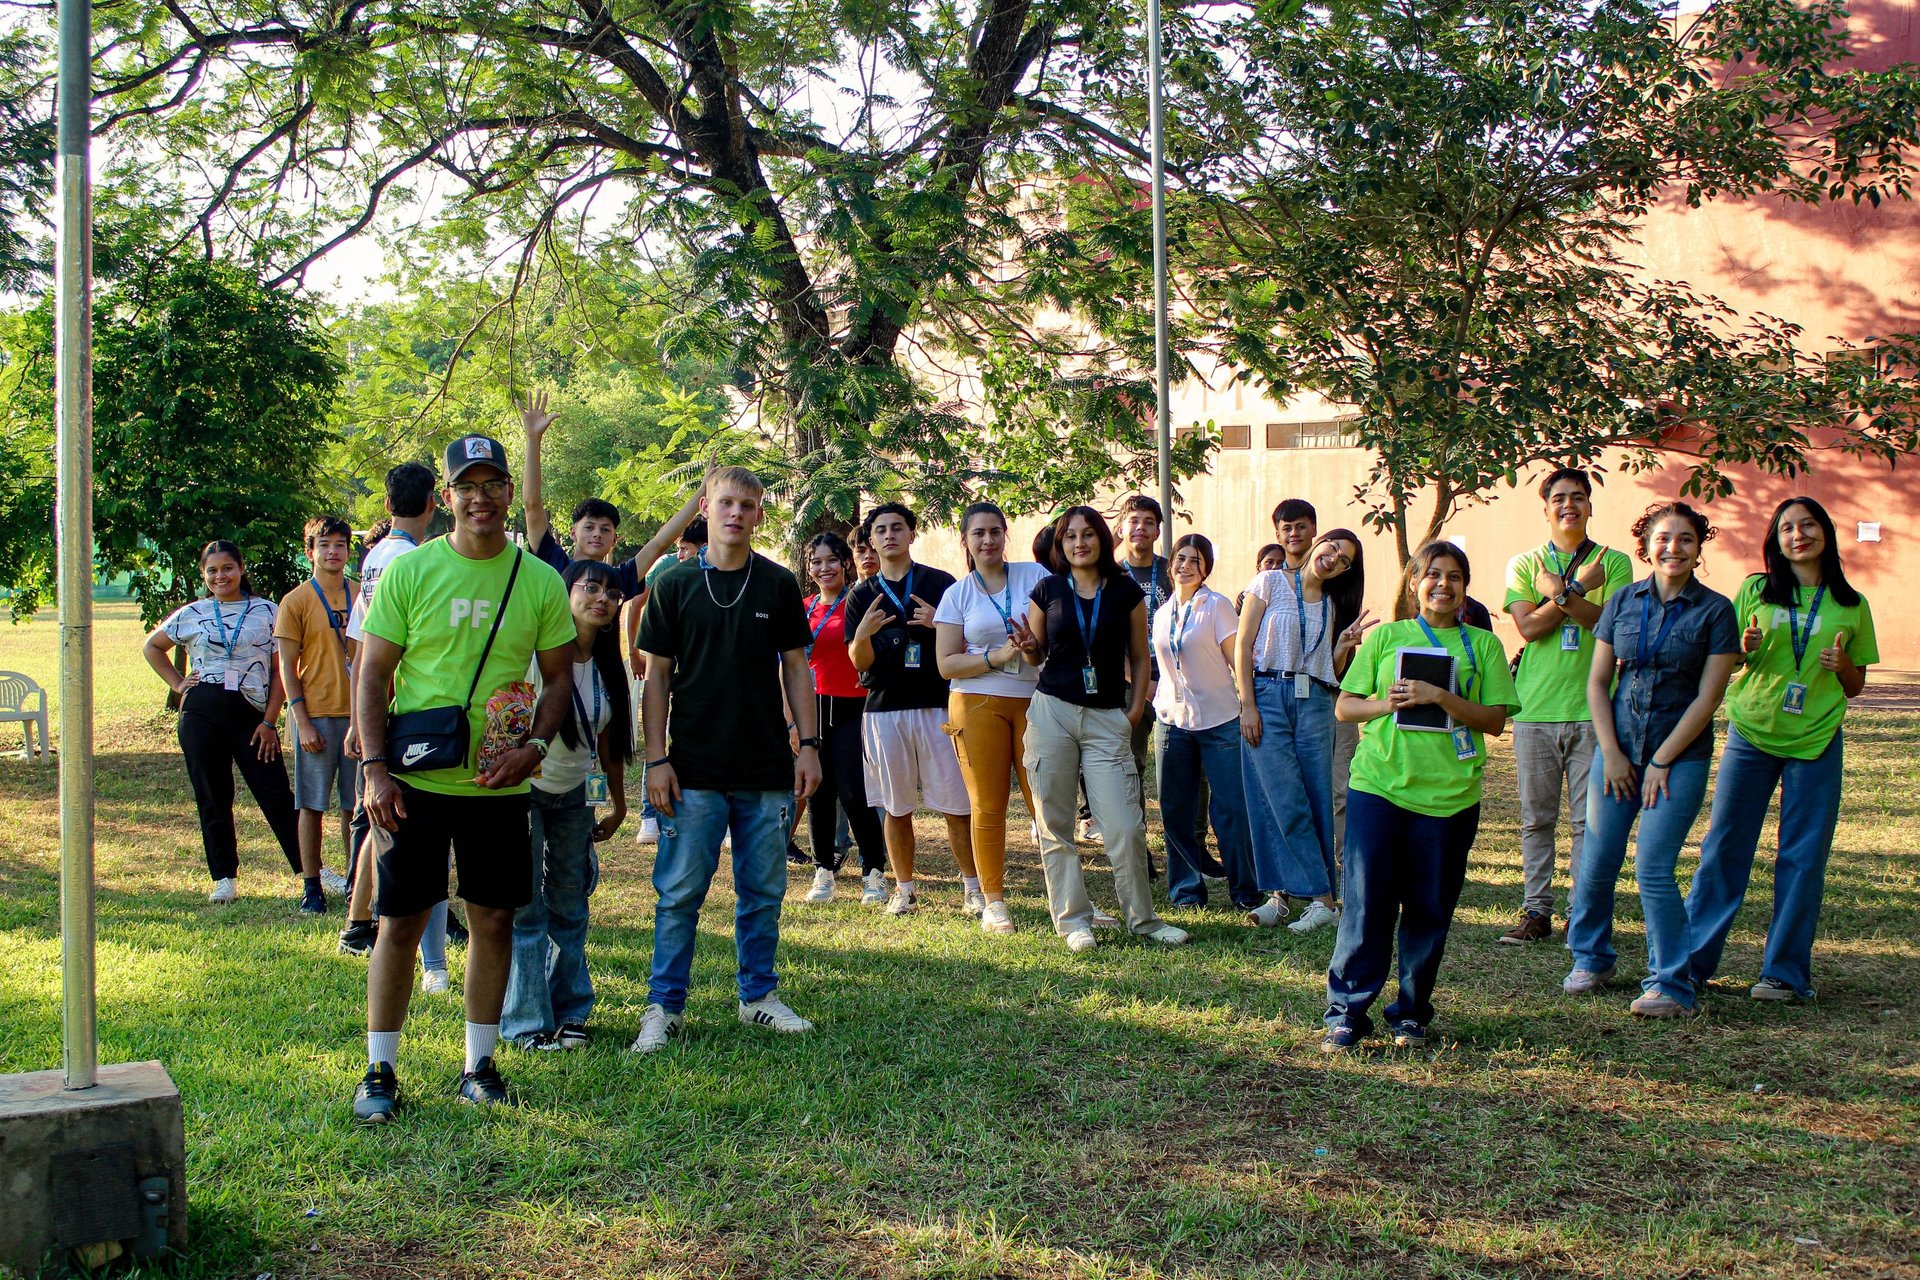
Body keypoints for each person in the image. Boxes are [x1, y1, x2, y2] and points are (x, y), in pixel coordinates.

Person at [350, 434, 577, 1122]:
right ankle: (379, 1070)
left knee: (495, 919)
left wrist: (535, 748)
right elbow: (373, 673)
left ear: (510, 492)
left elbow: (561, 675)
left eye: (493, 484)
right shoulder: (412, 572)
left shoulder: (537, 578)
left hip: (498, 785)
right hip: (415, 783)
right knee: (399, 921)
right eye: (466, 486)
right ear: (445, 498)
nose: (480, 498)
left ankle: (479, 1064)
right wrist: (374, 769)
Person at [629, 466, 821, 1053]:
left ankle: (758, 996)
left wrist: (808, 747)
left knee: (762, 890)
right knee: (680, 892)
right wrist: (655, 758)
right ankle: (664, 1008)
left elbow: (795, 667)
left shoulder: (778, 584)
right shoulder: (675, 584)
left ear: (760, 514)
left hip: (765, 764)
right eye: (725, 502)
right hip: (691, 766)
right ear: (705, 510)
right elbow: (657, 677)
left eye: (748, 504)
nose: (736, 512)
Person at [1323, 541, 1519, 1052]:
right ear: (1414, 582)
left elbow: (1496, 720)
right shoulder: (1386, 638)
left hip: (1451, 797)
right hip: (1380, 790)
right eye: (1432, 575)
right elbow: (1345, 708)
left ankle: (1410, 1013)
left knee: (1429, 912)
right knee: (1366, 907)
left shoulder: (1484, 645)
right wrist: (1382, 704)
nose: (1443, 585)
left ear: (1465, 587)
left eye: (1454, 577)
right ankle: (1346, 1013)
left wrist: (1441, 698)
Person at [1685, 497, 1876, 1002]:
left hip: (1816, 739)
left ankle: (1784, 975)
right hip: (1751, 732)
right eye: (1787, 527)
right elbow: (1729, 660)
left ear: (1826, 533)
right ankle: (1691, 965)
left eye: (1808, 525)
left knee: (1803, 856)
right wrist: (1743, 650)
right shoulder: (1755, 589)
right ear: (1776, 539)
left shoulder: (1852, 604)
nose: (1798, 535)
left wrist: (1844, 668)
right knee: (1724, 848)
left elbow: (1856, 686)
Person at [1562, 501, 1741, 1018]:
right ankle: (1591, 958)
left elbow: (1708, 698)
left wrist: (1661, 759)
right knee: (1595, 862)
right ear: (1646, 545)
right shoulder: (1621, 601)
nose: (1674, 548)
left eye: (1686, 539)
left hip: (1678, 758)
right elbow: (1598, 683)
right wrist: (1613, 754)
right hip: (1616, 754)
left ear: (1698, 548)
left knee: (1654, 867)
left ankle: (1671, 983)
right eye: (1664, 538)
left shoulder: (1715, 611)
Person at [1013, 507, 1189, 953]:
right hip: (1052, 711)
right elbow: (1035, 658)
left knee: (1125, 826)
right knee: (1056, 824)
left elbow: (1140, 655)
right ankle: (1074, 921)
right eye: (1069, 536)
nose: (1079, 543)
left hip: (1107, 717)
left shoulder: (1126, 591)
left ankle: (1143, 920)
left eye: (1087, 534)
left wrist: (1133, 711)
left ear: (1102, 540)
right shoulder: (1047, 589)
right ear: (1060, 545)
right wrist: (1031, 648)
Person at [1499, 468, 1636, 945]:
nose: (1568, 505)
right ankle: (1535, 910)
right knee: (1536, 818)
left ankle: (1581, 912)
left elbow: (1610, 626)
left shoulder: (1614, 564)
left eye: (1578, 497)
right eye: (1559, 498)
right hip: (1535, 708)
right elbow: (1529, 629)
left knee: (1586, 821)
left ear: (1590, 506)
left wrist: (1558, 594)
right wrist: (1573, 592)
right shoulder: (1525, 562)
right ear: (1546, 508)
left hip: (1593, 709)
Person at [503, 560, 634, 1051]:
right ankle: (525, 1022)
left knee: (571, 904)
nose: (602, 598)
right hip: (526, 793)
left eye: (612, 593)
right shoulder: (535, 654)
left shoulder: (606, 664)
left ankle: (571, 1010)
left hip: (575, 798)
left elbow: (605, 744)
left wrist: (616, 805)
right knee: (527, 910)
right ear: (566, 592)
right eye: (591, 587)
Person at [142, 541, 304, 905]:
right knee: (213, 796)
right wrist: (178, 683)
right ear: (204, 574)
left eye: (228, 568)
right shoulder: (193, 613)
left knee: (275, 792)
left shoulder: (267, 611)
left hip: (251, 713)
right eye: (212, 570)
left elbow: (281, 671)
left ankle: (310, 869)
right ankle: (224, 877)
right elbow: (152, 646)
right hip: (201, 711)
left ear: (242, 568)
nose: (221, 576)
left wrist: (270, 720)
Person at [844, 502, 978, 915]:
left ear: (911, 534)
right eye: (880, 530)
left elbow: (968, 642)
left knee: (956, 804)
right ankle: (904, 889)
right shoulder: (861, 596)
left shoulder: (942, 584)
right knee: (895, 805)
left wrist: (939, 622)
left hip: (938, 706)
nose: (888, 536)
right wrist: (863, 635)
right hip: (884, 710)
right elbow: (858, 662)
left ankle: (973, 887)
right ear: (870, 541)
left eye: (897, 528)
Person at [1237, 529, 1371, 933]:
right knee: (1277, 796)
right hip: (1266, 692)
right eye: (1332, 547)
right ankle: (1304, 897)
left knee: (1314, 799)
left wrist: (1344, 645)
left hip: (1313, 701)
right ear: (1318, 543)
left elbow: (1324, 666)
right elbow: (1243, 645)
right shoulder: (1269, 581)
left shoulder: (1331, 606)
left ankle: (1308, 899)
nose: (1333, 558)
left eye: (1344, 560)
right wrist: (1247, 704)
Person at [336, 463, 440, 963]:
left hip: (380, 709)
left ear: (386, 505)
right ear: (435, 502)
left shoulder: (375, 556)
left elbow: (358, 645)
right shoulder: (413, 561)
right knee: (392, 820)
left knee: (379, 817)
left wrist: (360, 718)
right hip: (404, 711)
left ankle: (359, 921)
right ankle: (378, 923)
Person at [934, 502, 1048, 934]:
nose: (988, 540)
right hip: (976, 702)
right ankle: (993, 900)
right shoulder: (957, 595)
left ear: (1005, 536)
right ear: (965, 541)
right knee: (988, 804)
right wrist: (996, 656)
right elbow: (946, 664)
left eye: (995, 531)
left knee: (1046, 801)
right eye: (978, 533)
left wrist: (1031, 647)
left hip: (1036, 700)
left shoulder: (1035, 578)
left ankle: (1066, 897)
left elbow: (1043, 644)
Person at [1150, 534, 1257, 912]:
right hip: (1172, 722)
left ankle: (1245, 889)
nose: (1186, 565)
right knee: (1175, 808)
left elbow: (1237, 660)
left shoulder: (1217, 606)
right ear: (1170, 565)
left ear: (1206, 567)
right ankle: (1186, 891)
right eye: (1180, 558)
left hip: (1220, 721)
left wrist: (1249, 706)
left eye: (1195, 560)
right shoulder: (1162, 614)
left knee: (1229, 809)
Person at [799, 532, 890, 905]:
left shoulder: (859, 602)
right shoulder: (803, 608)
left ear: (846, 563)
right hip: (814, 707)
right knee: (818, 791)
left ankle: (874, 871)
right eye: (816, 562)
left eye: (832, 560)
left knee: (855, 791)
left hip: (855, 706)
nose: (825, 568)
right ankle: (824, 870)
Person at [275, 515, 359, 911]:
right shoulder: (296, 601)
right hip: (316, 715)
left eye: (339, 544)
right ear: (310, 551)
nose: (332, 552)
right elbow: (287, 667)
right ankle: (312, 885)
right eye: (324, 545)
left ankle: (356, 883)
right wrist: (301, 720)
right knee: (311, 804)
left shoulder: (362, 594)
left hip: (358, 715)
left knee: (354, 806)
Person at [1114, 494, 1174, 838]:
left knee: (1182, 768)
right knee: (1131, 764)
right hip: (1126, 683)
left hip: (1173, 683)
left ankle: (1188, 846)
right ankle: (1137, 843)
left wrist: (1166, 681)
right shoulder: (1111, 575)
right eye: (1134, 521)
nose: (1140, 528)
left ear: (1156, 531)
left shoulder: (1171, 571)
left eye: (1148, 522)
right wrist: (1138, 681)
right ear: (1121, 529)